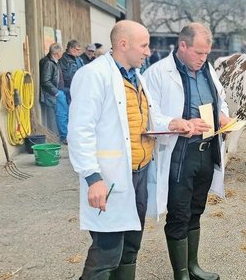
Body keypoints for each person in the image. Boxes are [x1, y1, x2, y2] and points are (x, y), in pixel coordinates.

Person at [68, 20, 171, 280]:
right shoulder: (94, 75)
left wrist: (174, 123)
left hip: (139, 174)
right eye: (144, 45)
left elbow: (148, 118)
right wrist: (92, 177)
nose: (149, 51)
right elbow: (80, 130)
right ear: (123, 44)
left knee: (131, 246)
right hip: (110, 178)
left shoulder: (136, 77)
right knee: (107, 251)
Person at [143, 22, 230, 280]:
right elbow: (148, 113)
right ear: (183, 46)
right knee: (179, 213)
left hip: (205, 150)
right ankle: (180, 273)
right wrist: (175, 123)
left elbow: (220, 97)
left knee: (196, 209)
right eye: (199, 53)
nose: (203, 59)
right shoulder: (158, 73)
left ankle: (193, 267)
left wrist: (223, 115)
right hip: (180, 152)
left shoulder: (207, 70)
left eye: (207, 54)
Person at [39, 43, 67, 139]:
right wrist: (56, 93)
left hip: (59, 92)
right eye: (61, 51)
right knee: (61, 115)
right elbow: (45, 81)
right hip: (55, 93)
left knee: (64, 114)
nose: (62, 53)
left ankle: (64, 136)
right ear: (57, 53)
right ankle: (64, 137)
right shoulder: (48, 63)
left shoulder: (54, 61)